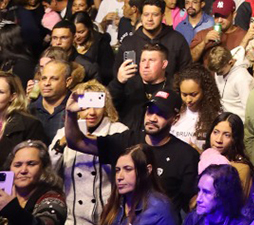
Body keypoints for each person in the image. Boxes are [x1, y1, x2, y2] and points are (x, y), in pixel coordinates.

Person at [64, 87, 199, 215]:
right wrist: (70, 114)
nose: (152, 118)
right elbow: (77, 142)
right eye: (150, 111)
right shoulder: (127, 139)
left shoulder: (186, 155)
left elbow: (191, 203)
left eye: (161, 114)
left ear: (175, 119)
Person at [49, 80, 128, 225]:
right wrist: (60, 145)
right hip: (76, 221)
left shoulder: (118, 130)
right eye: (85, 104)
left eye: (97, 103)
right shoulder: (63, 133)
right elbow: (50, 171)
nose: (91, 111)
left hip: (106, 217)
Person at [202, 112, 254, 198]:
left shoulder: (240, 168)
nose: (219, 140)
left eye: (227, 135)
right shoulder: (204, 158)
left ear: (235, 139)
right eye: (215, 132)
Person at [0, 72, 47, 167]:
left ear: (12, 96)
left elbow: (36, 164)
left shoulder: (30, 125)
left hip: (11, 180)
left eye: (0, 92)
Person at [172, 65, 223, 150]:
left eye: (193, 94)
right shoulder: (173, 112)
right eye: (184, 94)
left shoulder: (217, 117)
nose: (188, 100)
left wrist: (201, 153)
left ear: (205, 91)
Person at [28, 57, 73, 142]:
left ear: (68, 81)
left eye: (54, 79)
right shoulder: (29, 110)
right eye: (44, 78)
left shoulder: (76, 110)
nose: (47, 83)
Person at [207, 43, 254, 118]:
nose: (218, 74)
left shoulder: (243, 78)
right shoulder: (218, 72)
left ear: (231, 62)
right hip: (224, 118)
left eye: (220, 72)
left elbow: (249, 109)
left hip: (240, 122)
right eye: (216, 72)